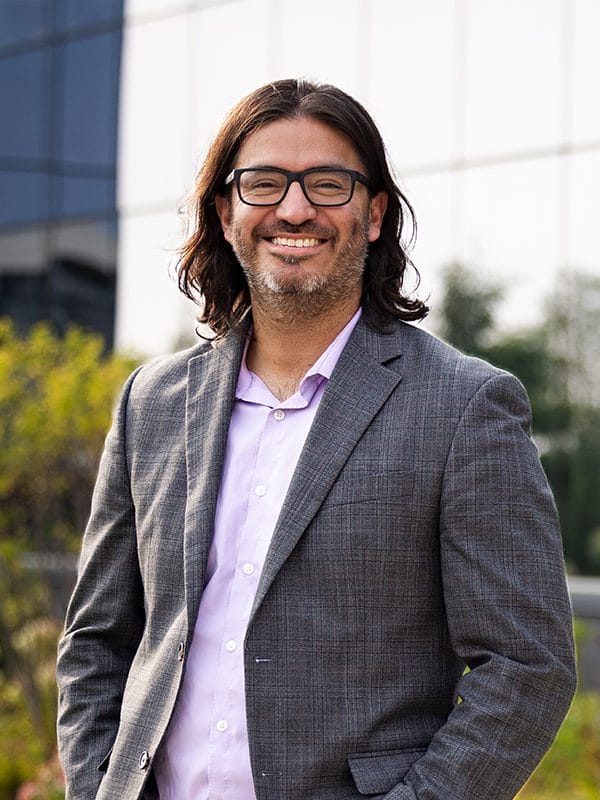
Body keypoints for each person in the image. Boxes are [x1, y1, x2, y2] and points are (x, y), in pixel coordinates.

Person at [56, 78, 576, 800]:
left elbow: (527, 666)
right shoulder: (152, 402)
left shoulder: (464, 407)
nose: (294, 209)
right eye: (263, 184)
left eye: (327, 184)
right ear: (226, 211)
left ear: (373, 214)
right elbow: (97, 642)